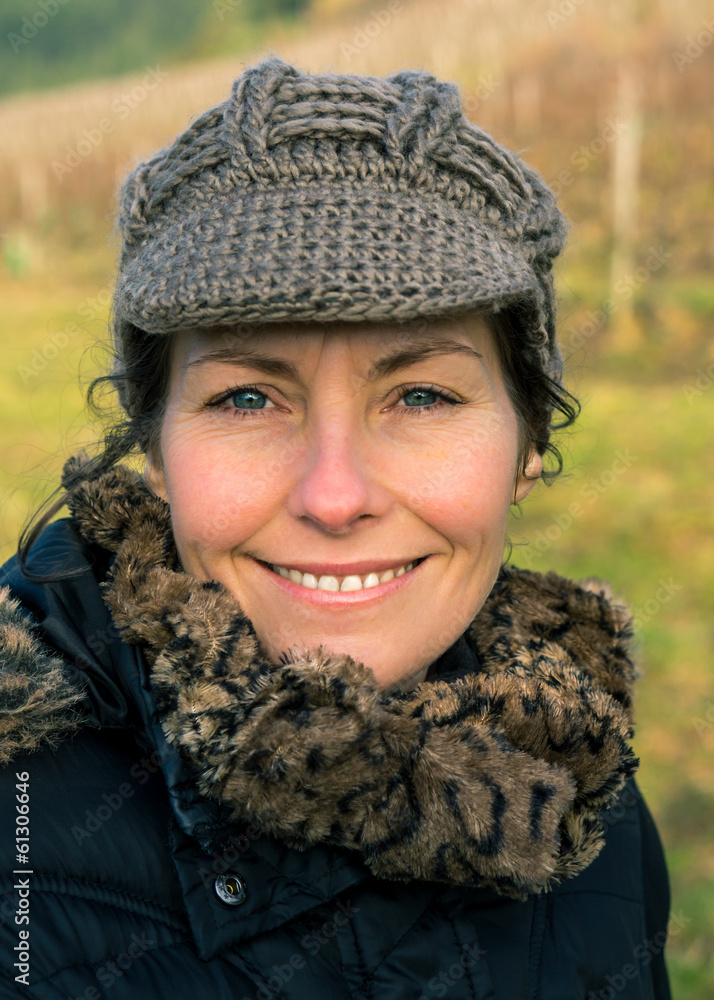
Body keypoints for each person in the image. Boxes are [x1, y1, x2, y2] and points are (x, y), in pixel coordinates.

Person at [0, 56, 672, 999]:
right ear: (153, 451)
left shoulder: (573, 780)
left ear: (529, 441)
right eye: (245, 398)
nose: (333, 494)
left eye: (423, 395)